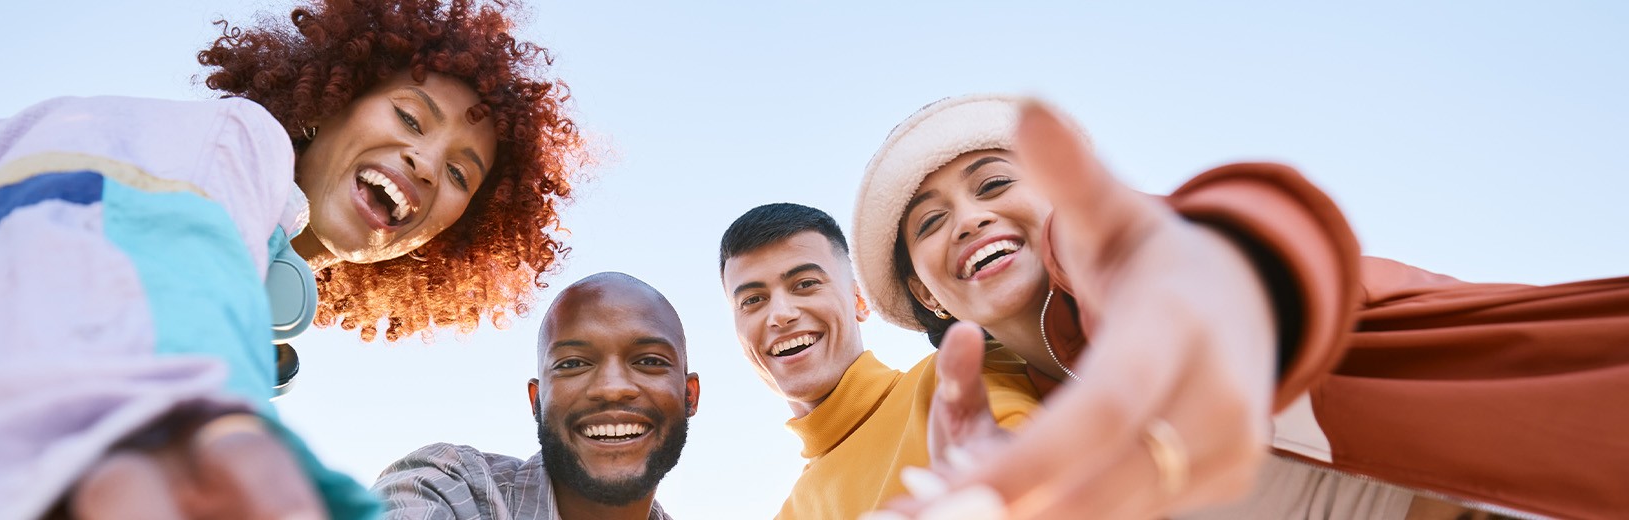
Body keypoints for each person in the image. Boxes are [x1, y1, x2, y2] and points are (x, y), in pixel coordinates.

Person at [0, 0, 585, 517]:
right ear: (331, 100)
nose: (428, 163)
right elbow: (140, 268)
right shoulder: (223, 149)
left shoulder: (253, 276)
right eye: (408, 118)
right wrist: (194, 420)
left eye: (461, 173)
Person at [850, 95, 1629, 519]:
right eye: (931, 222)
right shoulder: (1024, 425)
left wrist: (1232, 265)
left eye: (992, 185)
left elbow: (1233, 246)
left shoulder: (1122, 265)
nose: (971, 220)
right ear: (924, 290)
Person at [716, 203, 1039, 520]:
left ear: (859, 301)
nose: (781, 314)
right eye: (753, 300)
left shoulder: (960, 380)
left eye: (805, 284)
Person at [372, 272, 696, 520]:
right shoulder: (448, 487)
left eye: (650, 361)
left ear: (690, 396)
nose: (611, 388)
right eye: (573, 364)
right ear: (537, 401)